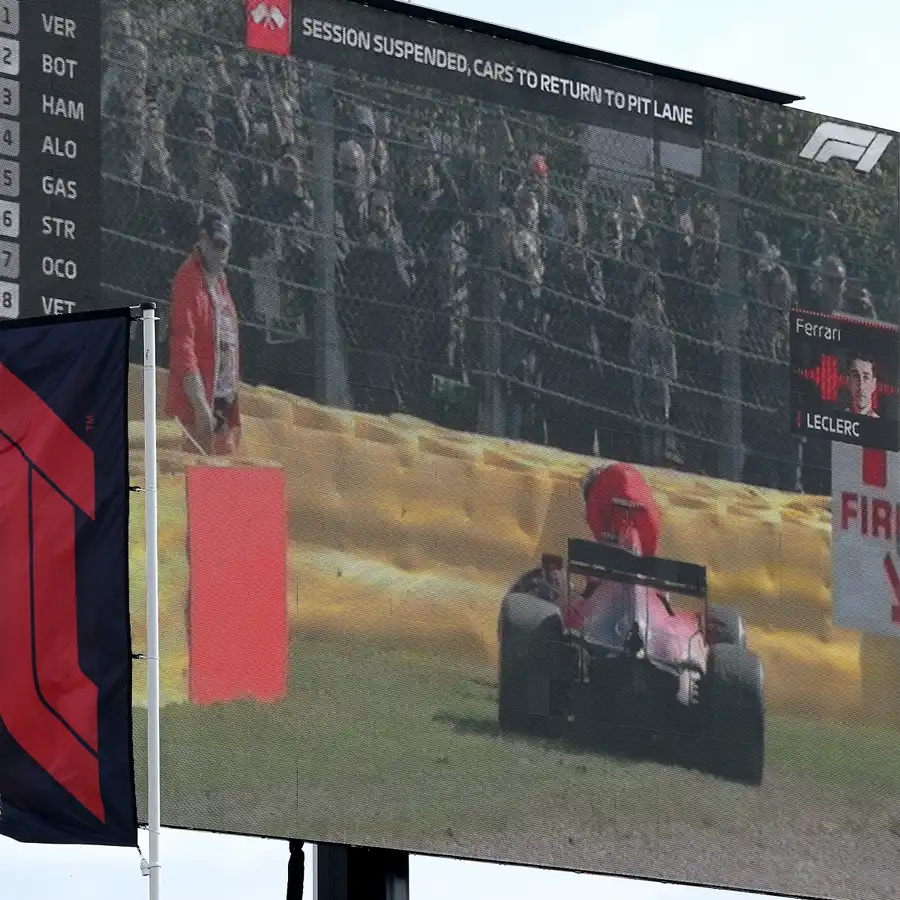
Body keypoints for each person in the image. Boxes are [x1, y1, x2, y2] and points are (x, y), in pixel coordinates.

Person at [167, 211, 242, 455]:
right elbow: (182, 344)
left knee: (222, 479)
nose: (222, 254)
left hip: (222, 400)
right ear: (202, 239)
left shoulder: (220, 283)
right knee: (194, 475)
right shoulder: (189, 279)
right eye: (217, 244)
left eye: (226, 247)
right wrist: (200, 406)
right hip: (198, 403)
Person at [845, 352, 880, 418]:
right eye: (855, 376)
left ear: (873, 384)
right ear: (848, 381)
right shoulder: (838, 418)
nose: (861, 386)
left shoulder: (882, 426)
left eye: (866, 377)